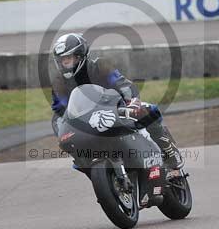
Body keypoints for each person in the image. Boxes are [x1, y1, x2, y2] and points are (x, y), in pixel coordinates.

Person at [49, 32, 185, 171]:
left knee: (150, 111)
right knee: (78, 160)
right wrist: (64, 135)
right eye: (62, 60)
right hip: (86, 123)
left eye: (68, 58)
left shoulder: (100, 66)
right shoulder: (59, 83)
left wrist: (131, 101)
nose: (65, 63)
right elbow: (61, 110)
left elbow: (123, 84)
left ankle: (169, 151)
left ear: (80, 56)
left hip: (116, 109)